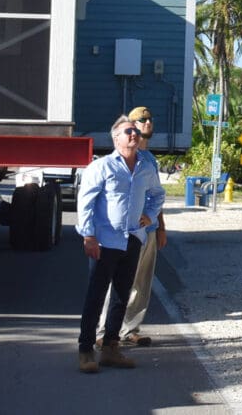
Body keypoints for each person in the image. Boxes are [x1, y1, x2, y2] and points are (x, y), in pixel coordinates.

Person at [75, 115, 165, 373]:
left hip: (133, 238)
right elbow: (86, 204)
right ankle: (85, 350)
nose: (133, 135)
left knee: (121, 295)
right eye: (128, 131)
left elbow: (158, 194)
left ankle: (111, 348)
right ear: (116, 138)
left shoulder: (146, 168)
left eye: (135, 132)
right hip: (105, 241)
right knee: (96, 295)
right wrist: (89, 235)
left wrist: (150, 215)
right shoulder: (102, 166)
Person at [96, 105, 166, 347]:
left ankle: (130, 328)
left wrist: (159, 226)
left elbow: (157, 195)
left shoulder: (149, 160)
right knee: (117, 282)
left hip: (146, 231)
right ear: (129, 128)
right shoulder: (116, 161)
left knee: (141, 282)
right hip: (121, 233)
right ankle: (105, 330)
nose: (146, 123)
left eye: (149, 119)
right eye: (141, 120)